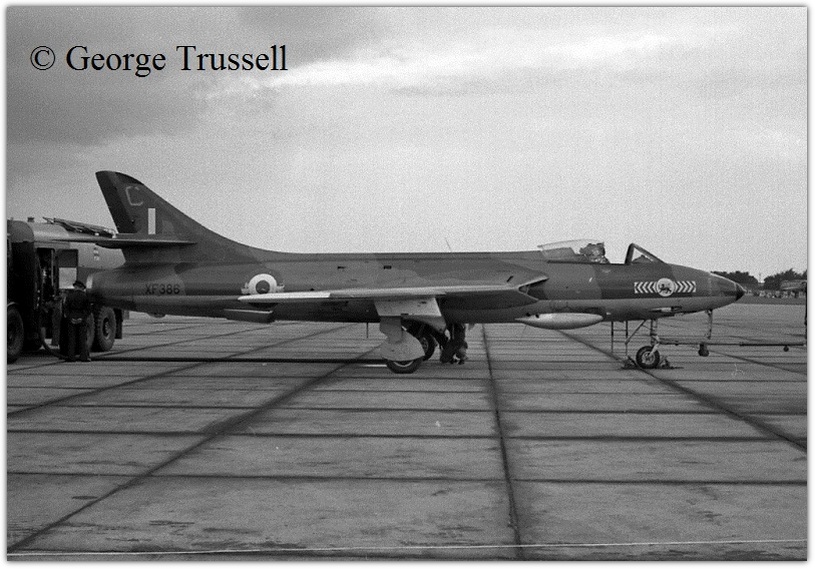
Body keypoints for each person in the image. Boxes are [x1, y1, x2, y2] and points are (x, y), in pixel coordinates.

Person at [63, 280, 92, 362]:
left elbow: (66, 308)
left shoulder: (69, 296)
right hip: (81, 318)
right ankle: (83, 356)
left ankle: (71, 357)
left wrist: (70, 318)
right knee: (82, 339)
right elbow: (88, 309)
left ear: (75, 287)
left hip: (72, 317)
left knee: (71, 339)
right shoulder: (85, 296)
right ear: (81, 287)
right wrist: (82, 318)